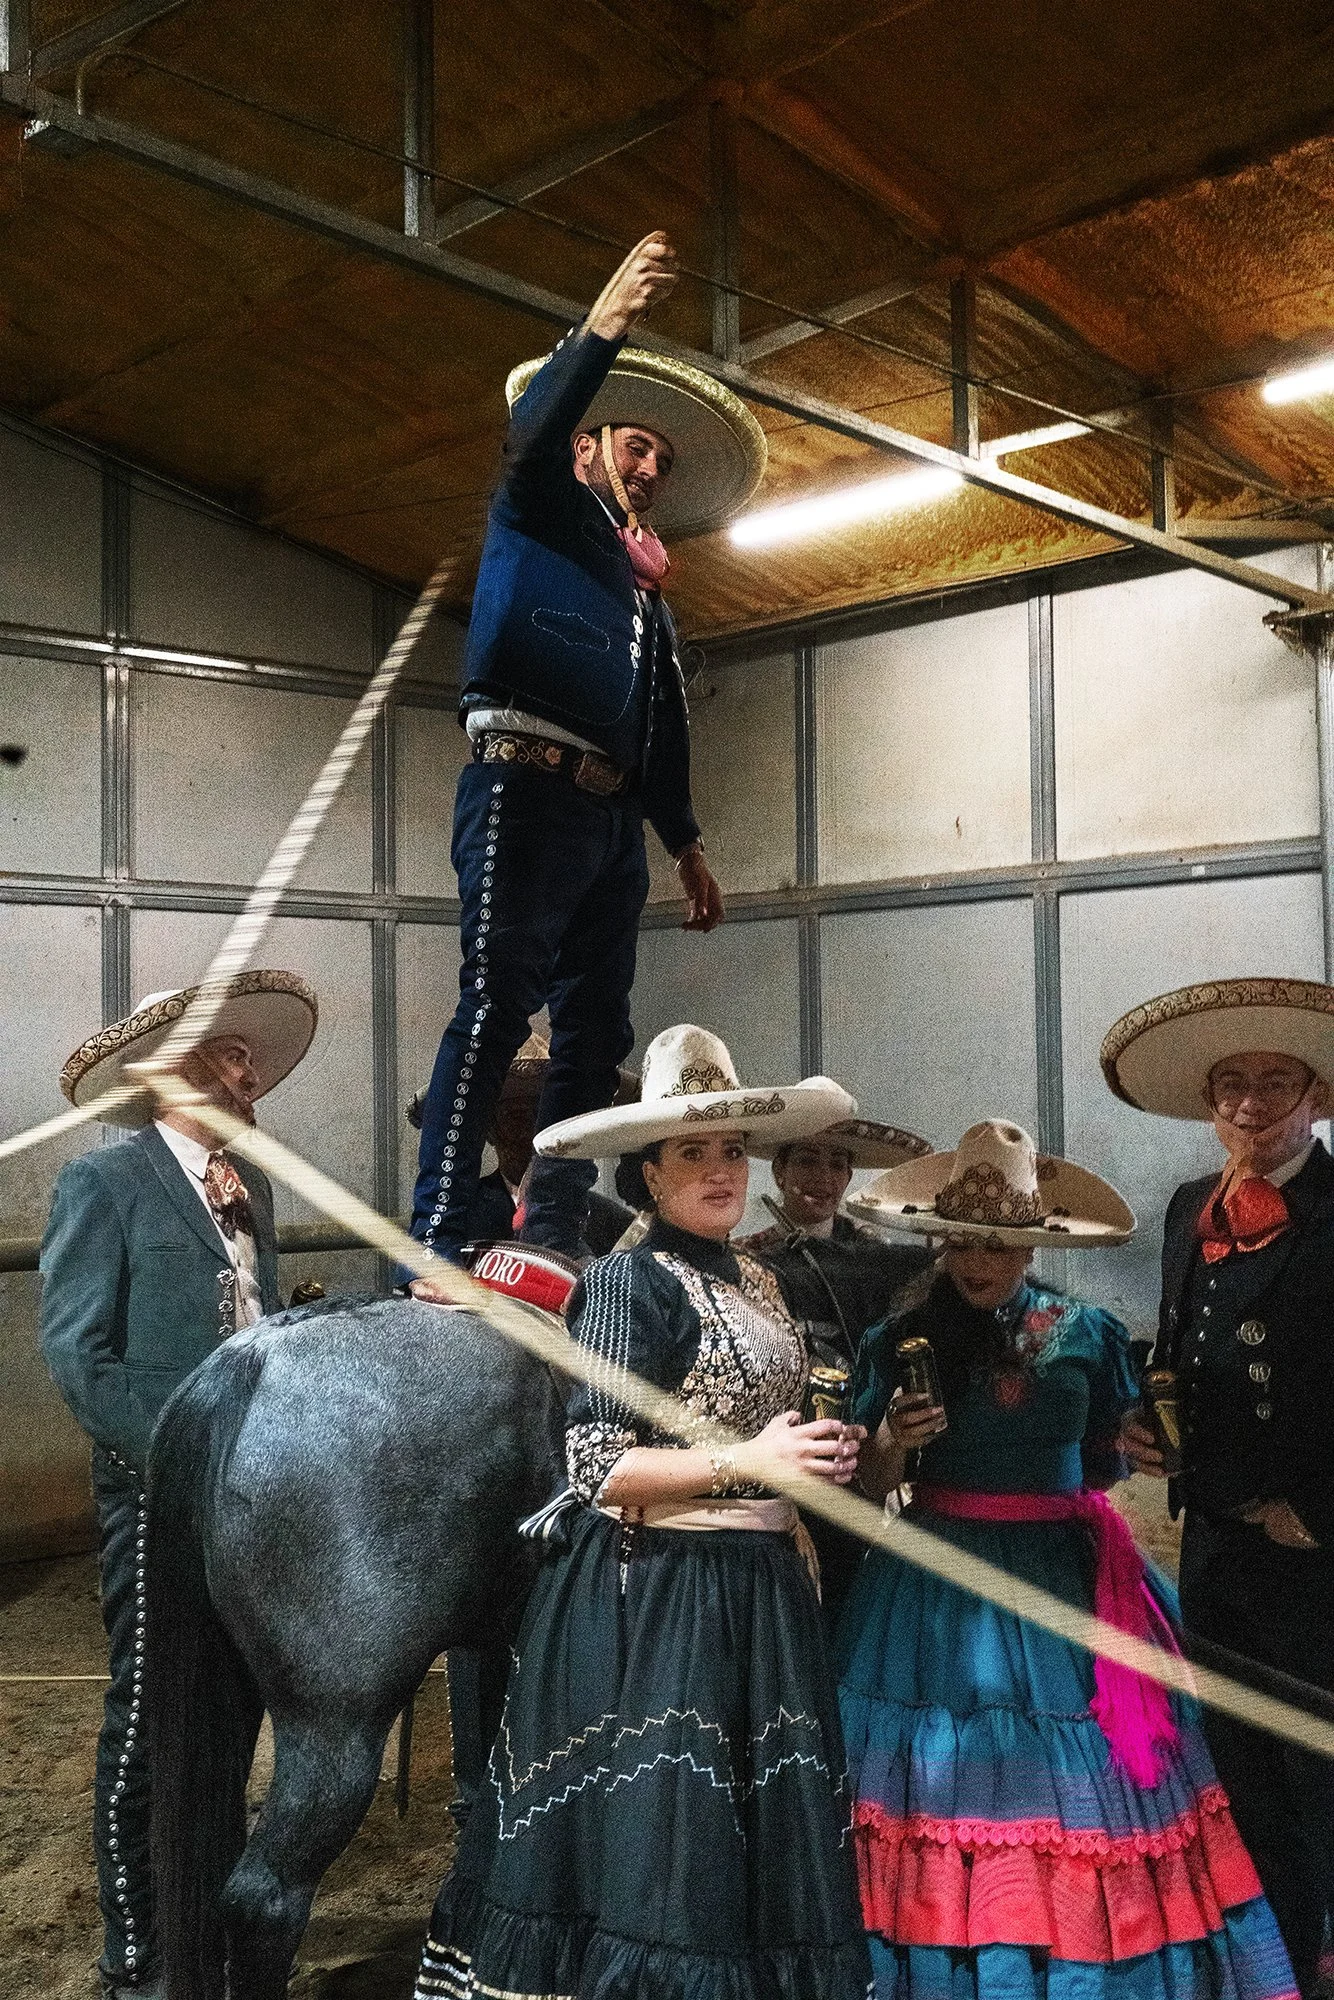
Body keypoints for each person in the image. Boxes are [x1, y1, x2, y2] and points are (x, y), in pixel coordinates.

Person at [413, 1025, 873, 2000]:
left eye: (728, 1148)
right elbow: (594, 1465)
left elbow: (761, 1419)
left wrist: (822, 1453)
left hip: (759, 1593)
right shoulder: (626, 1282)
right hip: (661, 1600)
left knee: (748, 1843)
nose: (717, 1168)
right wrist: (748, 1459)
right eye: (690, 1151)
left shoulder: (757, 1276)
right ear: (649, 1174)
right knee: (670, 1855)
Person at [837, 1119, 1298, 2000]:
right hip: (935, 1581)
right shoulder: (896, 1340)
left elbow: (1106, 1461)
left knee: (1079, 1789)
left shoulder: (1087, 1333)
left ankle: (1079, 1962)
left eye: (1004, 1242)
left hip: (1066, 1575)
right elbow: (866, 1488)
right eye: (965, 1239)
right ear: (938, 1238)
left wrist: (1139, 1447)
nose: (981, 1260)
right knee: (940, 1781)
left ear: (1035, 1242)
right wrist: (893, 1437)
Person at [407, 228, 767, 1269]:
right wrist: (601, 324)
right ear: (583, 448)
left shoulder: (640, 590)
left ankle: (551, 1230)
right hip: (525, 783)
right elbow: (529, 430)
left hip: (610, 820)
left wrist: (683, 842)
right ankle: (437, 1234)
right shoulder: (534, 510)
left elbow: (662, 720)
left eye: (659, 456)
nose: (649, 465)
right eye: (632, 444)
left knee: (593, 1034)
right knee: (495, 1001)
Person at [39, 969, 317, 2000]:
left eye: (249, 1058)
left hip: (257, 1503)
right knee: (150, 1717)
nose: (250, 1076)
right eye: (228, 1056)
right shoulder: (103, 1185)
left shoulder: (256, 1191)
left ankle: (206, 1928)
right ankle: (135, 1949)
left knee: (232, 1717)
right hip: (156, 1498)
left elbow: (261, 1330)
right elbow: (79, 1356)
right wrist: (167, 1461)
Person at [1103, 977, 1334, 1994]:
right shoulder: (1179, 1209)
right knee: (1240, 1771)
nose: (1249, 1101)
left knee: (1316, 1773)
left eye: (1272, 1081)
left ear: (1313, 1096)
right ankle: (1278, 1965)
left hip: (1311, 1550)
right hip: (1214, 1541)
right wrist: (1154, 1435)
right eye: (1230, 1083)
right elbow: (1179, 1353)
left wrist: (1318, 1512)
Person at [739, 1117, 934, 1622]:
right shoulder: (743, 1261)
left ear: (849, 1178)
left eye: (835, 1164)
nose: (822, 1177)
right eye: (806, 1160)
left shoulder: (884, 1260)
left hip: (866, 1450)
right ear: (779, 1170)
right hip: (784, 1455)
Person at [407, 1029, 637, 1258]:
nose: (530, 1132)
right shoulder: (455, 1216)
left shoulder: (608, 1219)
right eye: (516, 1117)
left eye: (541, 1117)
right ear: (490, 1130)